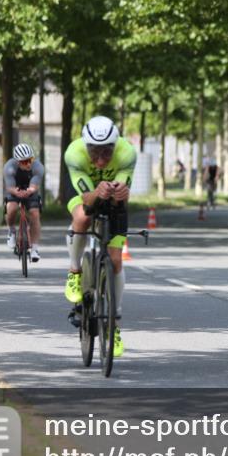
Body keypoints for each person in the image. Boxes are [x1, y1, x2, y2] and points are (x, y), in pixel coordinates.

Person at [63, 116, 137, 357]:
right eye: (95, 152)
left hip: (114, 204)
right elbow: (87, 199)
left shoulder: (127, 154)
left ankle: (114, 325)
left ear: (116, 146)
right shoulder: (74, 154)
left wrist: (118, 193)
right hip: (85, 196)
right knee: (83, 218)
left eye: (107, 152)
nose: (102, 159)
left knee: (116, 260)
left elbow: (120, 199)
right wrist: (98, 191)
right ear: (86, 147)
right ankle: (75, 272)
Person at [3, 143, 45, 262]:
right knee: (11, 208)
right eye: (24, 161)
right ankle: (11, 230)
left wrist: (30, 190)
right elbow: (9, 187)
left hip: (30, 189)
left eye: (30, 160)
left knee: (35, 214)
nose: (28, 164)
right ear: (17, 161)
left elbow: (34, 185)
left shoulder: (38, 167)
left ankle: (35, 249)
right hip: (14, 188)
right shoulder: (9, 167)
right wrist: (15, 192)